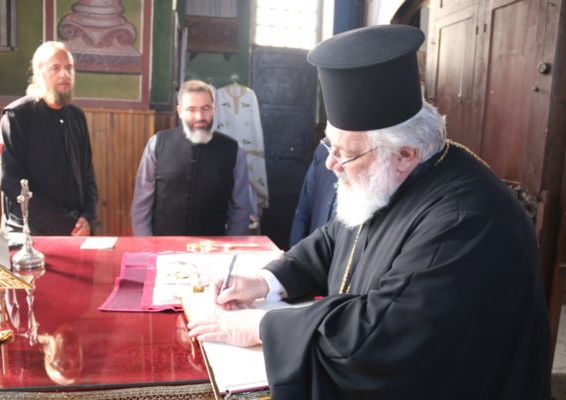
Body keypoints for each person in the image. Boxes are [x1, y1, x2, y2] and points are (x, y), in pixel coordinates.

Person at [187, 25, 550, 399]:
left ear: (404, 154)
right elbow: (332, 240)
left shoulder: (465, 221)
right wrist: (265, 281)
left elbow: (381, 335)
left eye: (345, 153)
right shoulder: (395, 175)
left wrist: (261, 327)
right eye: (330, 146)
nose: (330, 164)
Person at [0, 41, 98, 236]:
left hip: (76, 230)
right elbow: (10, 181)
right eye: (56, 68)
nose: (64, 74)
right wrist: (65, 223)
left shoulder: (77, 117)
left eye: (69, 68)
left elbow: (88, 176)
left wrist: (88, 218)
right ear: (38, 73)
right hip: (30, 233)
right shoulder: (17, 116)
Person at [131, 80, 251, 236]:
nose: (199, 116)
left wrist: (233, 247)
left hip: (214, 247)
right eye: (191, 109)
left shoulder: (234, 150)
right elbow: (141, 206)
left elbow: (241, 209)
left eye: (205, 108)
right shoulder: (157, 144)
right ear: (180, 111)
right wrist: (145, 244)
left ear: (213, 109)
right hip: (163, 246)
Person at [288, 144, 337, 247]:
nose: (330, 163)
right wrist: (297, 249)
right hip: (315, 249)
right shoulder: (324, 149)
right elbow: (304, 209)